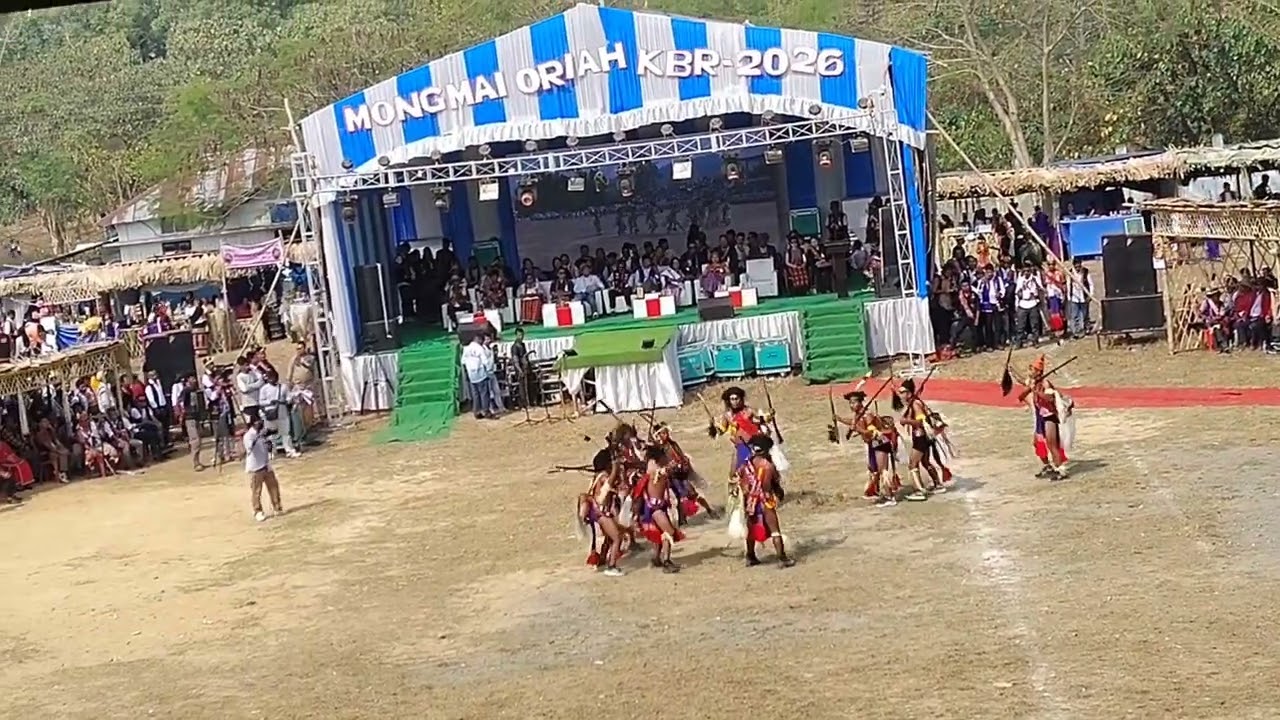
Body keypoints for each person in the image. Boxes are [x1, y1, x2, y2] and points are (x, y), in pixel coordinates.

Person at [738, 434, 795, 568]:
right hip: (765, 500)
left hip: (751, 502)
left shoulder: (747, 464)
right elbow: (775, 484)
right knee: (775, 530)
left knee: (751, 529)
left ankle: (750, 556)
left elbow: (741, 480)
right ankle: (782, 558)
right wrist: (780, 493)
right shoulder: (769, 466)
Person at [1017, 355, 1070, 479]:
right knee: (1037, 443)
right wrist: (1011, 370)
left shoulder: (1046, 384)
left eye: (1033, 370)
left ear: (1038, 372)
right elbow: (1021, 385)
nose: (1030, 372)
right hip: (1040, 416)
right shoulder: (1032, 382)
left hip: (1049, 416)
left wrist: (1037, 391)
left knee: (1052, 444)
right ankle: (1047, 465)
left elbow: (1050, 398)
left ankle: (1061, 470)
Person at [575, 448, 625, 576]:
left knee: (609, 538)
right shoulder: (603, 478)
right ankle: (612, 566)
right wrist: (616, 464)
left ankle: (602, 559)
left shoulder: (596, 477)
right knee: (617, 538)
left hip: (599, 513)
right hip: (602, 514)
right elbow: (612, 478)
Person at [895, 379, 943, 501]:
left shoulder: (915, 404)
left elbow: (921, 422)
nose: (900, 395)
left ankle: (919, 491)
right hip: (924, 437)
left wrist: (906, 421)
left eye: (902, 392)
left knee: (912, 464)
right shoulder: (914, 403)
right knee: (925, 462)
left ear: (909, 393)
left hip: (920, 437)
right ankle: (937, 484)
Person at [243, 415, 283, 522]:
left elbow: (268, 445)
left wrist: (268, 443)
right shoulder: (248, 436)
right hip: (256, 467)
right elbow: (249, 448)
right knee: (256, 490)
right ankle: (257, 511)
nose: (260, 423)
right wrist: (258, 436)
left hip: (266, 464)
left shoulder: (263, 433)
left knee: (273, 486)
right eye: (257, 422)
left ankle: (277, 507)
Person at [259, 370, 301, 459]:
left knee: (285, 433)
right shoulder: (264, 389)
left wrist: (288, 400)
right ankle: (271, 452)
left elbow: (288, 397)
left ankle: (289, 450)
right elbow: (261, 402)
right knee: (271, 435)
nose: (272, 380)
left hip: (282, 412)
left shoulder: (283, 387)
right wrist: (270, 402)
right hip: (270, 413)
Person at [461, 332, 497, 419]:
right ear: (479, 339)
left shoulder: (467, 349)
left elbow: (463, 361)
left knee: (475, 395)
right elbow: (485, 361)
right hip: (481, 374)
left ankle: (476, 412)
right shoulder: (479, 349)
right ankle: (486, 412)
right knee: (484, 394)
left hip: (471, 375)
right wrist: (489, 372)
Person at [175, 374, 206, 470]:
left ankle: (197, 460)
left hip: (196, 417)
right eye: (192, 378)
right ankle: (195, 462)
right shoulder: (186, 390)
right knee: (195, 440)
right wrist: (182, 413)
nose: (195, 380)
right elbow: (179, 402)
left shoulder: (195, 390)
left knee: (198, 440)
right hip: (189, 417)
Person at [234, 355, 264, 422]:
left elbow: (261, 381)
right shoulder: (240, 377)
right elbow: (244, 389)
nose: (247, 367)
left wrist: (251, 386)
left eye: (248, 365)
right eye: (245, 365)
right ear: (241, 366)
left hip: (257, 402)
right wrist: (256, 385)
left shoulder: (252, 373)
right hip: (248, 405)